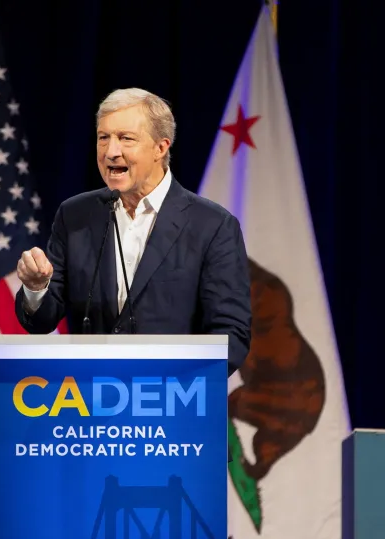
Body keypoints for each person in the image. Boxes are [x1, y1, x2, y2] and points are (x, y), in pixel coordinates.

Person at [14, 88, 251, 376]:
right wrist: (36, 288)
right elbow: (42, 321)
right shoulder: (75, 215)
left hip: (175, 406)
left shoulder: (212, 225)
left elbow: (231, 335)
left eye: (126, 138)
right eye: (104, 138)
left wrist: (171, 389)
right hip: (89, 404)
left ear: (160, 148)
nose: (111, 152)